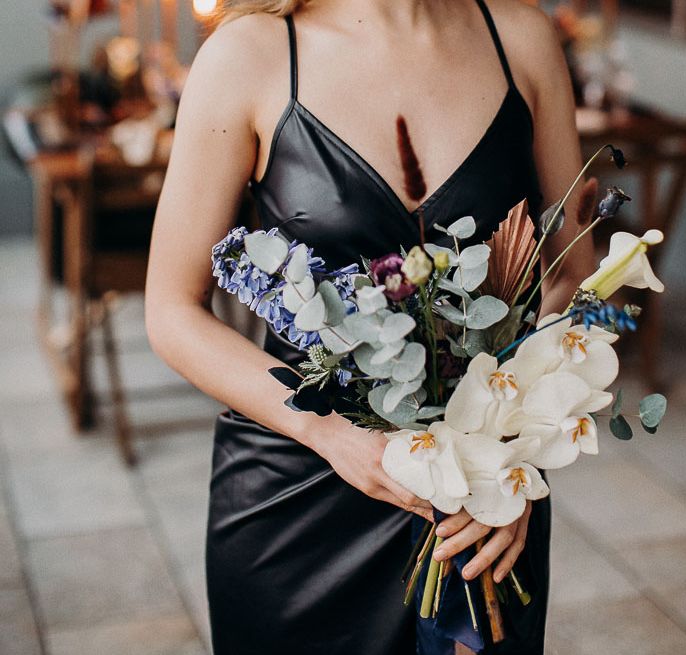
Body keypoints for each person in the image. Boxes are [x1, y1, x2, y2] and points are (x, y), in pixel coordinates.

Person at [145, 1, 595, 653]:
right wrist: (333, 433)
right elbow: (171, 310)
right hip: (297, 502)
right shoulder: (248, 56)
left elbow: (569, 275)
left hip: (482, 500)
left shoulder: (521, 38)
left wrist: (508, 455)